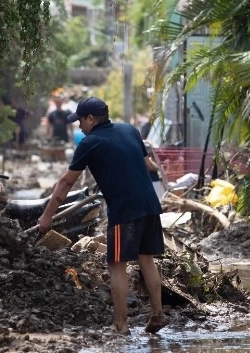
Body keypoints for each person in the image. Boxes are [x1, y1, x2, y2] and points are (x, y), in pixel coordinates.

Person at [37, 97, 168, 334]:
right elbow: (144, 164)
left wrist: (46, 217)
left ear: (90, 118)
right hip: (149, 204)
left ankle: (121, 325)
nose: (78, 126)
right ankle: (157, 314)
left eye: (80, 121)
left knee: (116, 265)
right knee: (146, 258)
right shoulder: (130, 130)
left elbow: (66, 182)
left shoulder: (90, 143)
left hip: (124, 210)